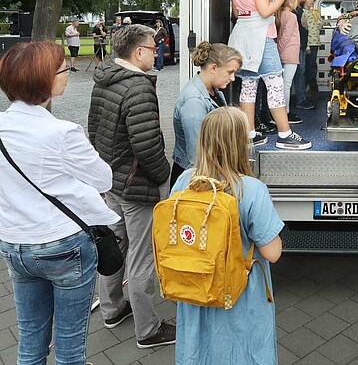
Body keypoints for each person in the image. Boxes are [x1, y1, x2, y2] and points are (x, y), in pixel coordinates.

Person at [0, 42, 120, 364]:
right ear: (45, 80)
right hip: (63, 245)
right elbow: (104, 179)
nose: (68, 74)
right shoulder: (62, 132)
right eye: (64, 69)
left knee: (30, 340)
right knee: (69, 346)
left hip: (15, 245)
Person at [171, 106, 284, 365]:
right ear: (240, 144)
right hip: (240, 295)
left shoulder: (184, 182)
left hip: (195, 288)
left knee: (200, 351)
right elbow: (272, 253)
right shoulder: (252, 189)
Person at [88, 23, 176, 349]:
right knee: (141, 259)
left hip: (111, 181)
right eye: (155, 48)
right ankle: (149, 330)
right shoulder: (138, 88)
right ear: (138, 52)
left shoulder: (104, 79)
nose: (159, 52)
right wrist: (163, 175)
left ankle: (112, 310)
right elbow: (149, 146)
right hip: (136, 187)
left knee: (114, 248)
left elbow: (93, 130)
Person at [228, 0, 311, 149]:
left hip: (241, 35)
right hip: (261, 36)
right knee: (274, 84)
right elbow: (265, 11)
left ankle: (250, 134)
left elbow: (237, 13)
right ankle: (285, 134)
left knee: (248, 86)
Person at [172, 41, 242, 188]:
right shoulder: (194, 102)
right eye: (230, 72)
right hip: (196, 180)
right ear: (213, 68)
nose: (233, 78)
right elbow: (196, 158)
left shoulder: (212, 91)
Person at [275, 0, 303, 124]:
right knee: (286, 84)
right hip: (290, 53)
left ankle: (279, 111)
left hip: (282, 53)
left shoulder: (279, 14)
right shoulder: (291, 16)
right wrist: (279, 51)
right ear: (291, 0)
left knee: (280, 84)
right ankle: (285, 112)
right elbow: (285, 37)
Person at [291, 0, 314, 111]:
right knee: (299, 72)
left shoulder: (299, 10)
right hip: (297, 46)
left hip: (301, 45)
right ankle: (300, 99)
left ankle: (301, 97)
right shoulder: (295, 12)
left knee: (301, 71)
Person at [304, 0, 321, 100]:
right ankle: (310, 89)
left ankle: (312, 89)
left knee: (312, 66)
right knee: (309, 67)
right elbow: (305, 31)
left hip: (315, 43)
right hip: (309, 44)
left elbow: (316, 27)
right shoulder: (303, 13)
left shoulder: (313, 13)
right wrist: (306, 46)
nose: (312, 1)